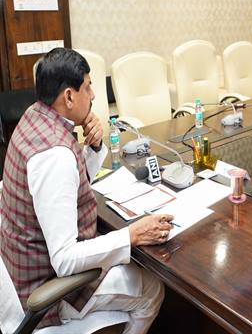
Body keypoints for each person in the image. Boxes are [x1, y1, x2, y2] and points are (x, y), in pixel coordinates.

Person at [0, 48, 172, 333]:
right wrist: (132, 235)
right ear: (69, 97)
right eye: (88, 87)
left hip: (22, 263)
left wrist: (93, 147)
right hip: (46, 287)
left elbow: (66, 188)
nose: (93, 95)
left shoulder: (35, 116)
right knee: (153, 290)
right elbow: (65, 260)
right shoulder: (55, 155)